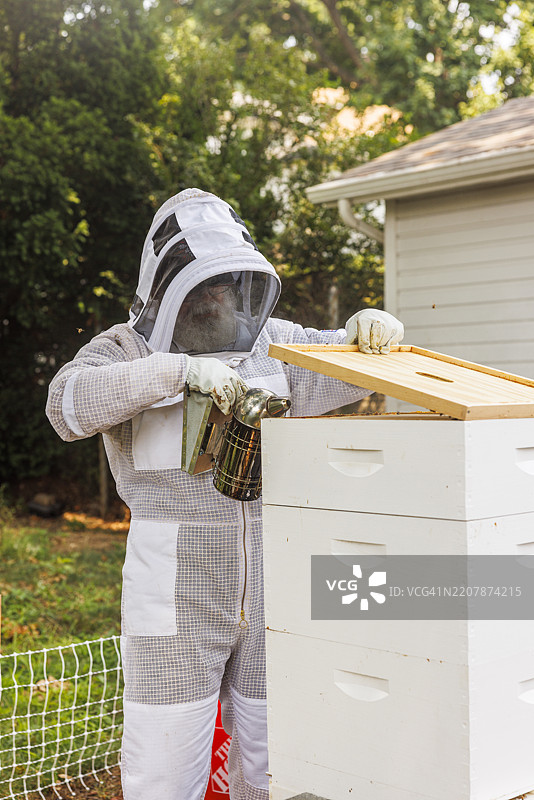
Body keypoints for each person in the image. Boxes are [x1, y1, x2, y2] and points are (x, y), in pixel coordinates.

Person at [46, 188, 404, 800]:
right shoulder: (123, 350)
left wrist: (364, 335)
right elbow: (67, 405)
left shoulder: (272, 341)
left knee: (275, 764)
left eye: (225, 282)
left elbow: (340, 367)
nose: (215, 297)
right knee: (163, 770)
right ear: (164, 288)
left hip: (271, 589)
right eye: (201, 284)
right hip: (175, 599)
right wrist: (177, 372)